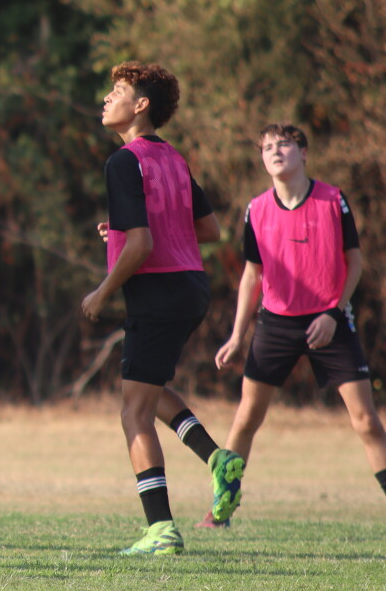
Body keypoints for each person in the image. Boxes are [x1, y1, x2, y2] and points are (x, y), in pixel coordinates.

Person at [80, 61, 234, 557]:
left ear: (140, 105)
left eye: (118, 91)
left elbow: (143, 245)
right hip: (191, 288)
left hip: (157, 290)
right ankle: (217, 459)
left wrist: (102, 291)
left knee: (133, 412)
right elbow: (208, 231)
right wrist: (121, 232)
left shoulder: (123, 162)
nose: (107, 99)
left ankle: (161, 529)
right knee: (149, 389)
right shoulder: (174, 159)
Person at [205, 123, 386, 526]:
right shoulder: (256, 208)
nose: (275, 151)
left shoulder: (332, 200)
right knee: (247, 418)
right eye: (267, 146)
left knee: (367, 422)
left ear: (303, 153)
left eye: (284, 144)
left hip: (330, 320)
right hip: (275, 324)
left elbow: (353, 262)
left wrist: (334, 313)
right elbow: (252, 274)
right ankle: (221, 511)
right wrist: (238, 335)